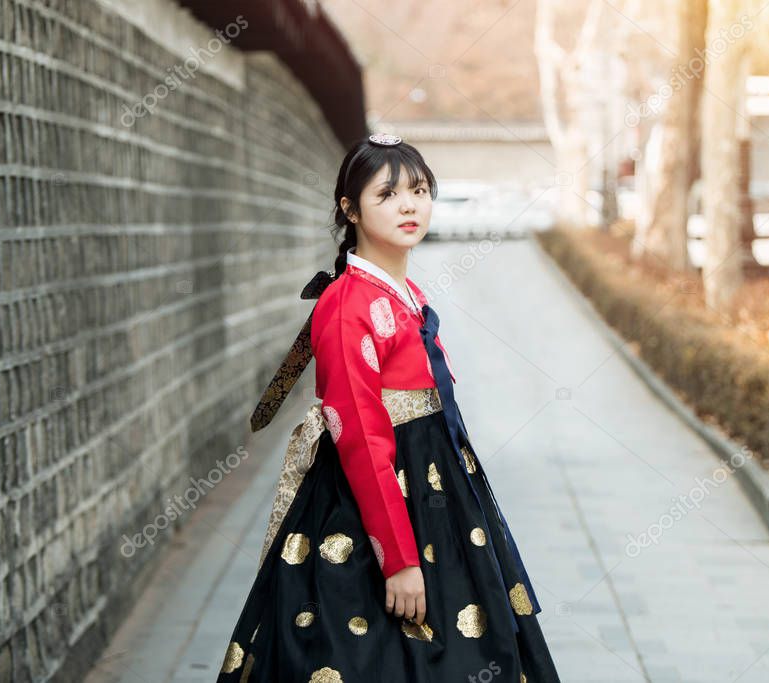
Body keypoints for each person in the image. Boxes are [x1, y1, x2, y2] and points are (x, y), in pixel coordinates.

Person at [217, 134, 562, 682]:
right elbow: (358, 436)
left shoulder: (405, 293)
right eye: (389, 194)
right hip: (375, 509)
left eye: (421, 190)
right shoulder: (347, 305)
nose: (410, 205)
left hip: (439, 496)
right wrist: (398, 560)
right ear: (350, 209)